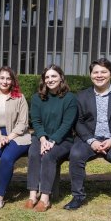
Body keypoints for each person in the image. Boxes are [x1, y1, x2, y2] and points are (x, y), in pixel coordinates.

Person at [64, 58, 111, 219]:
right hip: (90, 139)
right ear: (90, 75)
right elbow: (78, 122)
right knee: (75, 154)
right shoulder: (82, 96)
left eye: (103, 72)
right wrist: (92, 141)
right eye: (95, 72)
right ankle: (78, 196)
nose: (99, 75)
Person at [25, 65, 77, 212]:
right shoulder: (37, 98)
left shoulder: (70, 99)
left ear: (61, 78)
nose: (50, 79)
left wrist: (52, 140)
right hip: (41, 137)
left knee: (48, 155)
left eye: (54, 76)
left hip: (63, 139)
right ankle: (32, 195)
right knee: (34, 153)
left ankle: (45, 198)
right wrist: (43, 139)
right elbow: (36, 121)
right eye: (47, 77)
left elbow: (67, 124)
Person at [0, 66, 31, 209]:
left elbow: (23, 123)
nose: (5, 81)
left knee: (6, 158)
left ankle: (0, 196)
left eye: (8, 78)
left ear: (12, 81)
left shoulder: (19, 97)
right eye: (2, 78)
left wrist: (8, 137)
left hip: (17, 135)